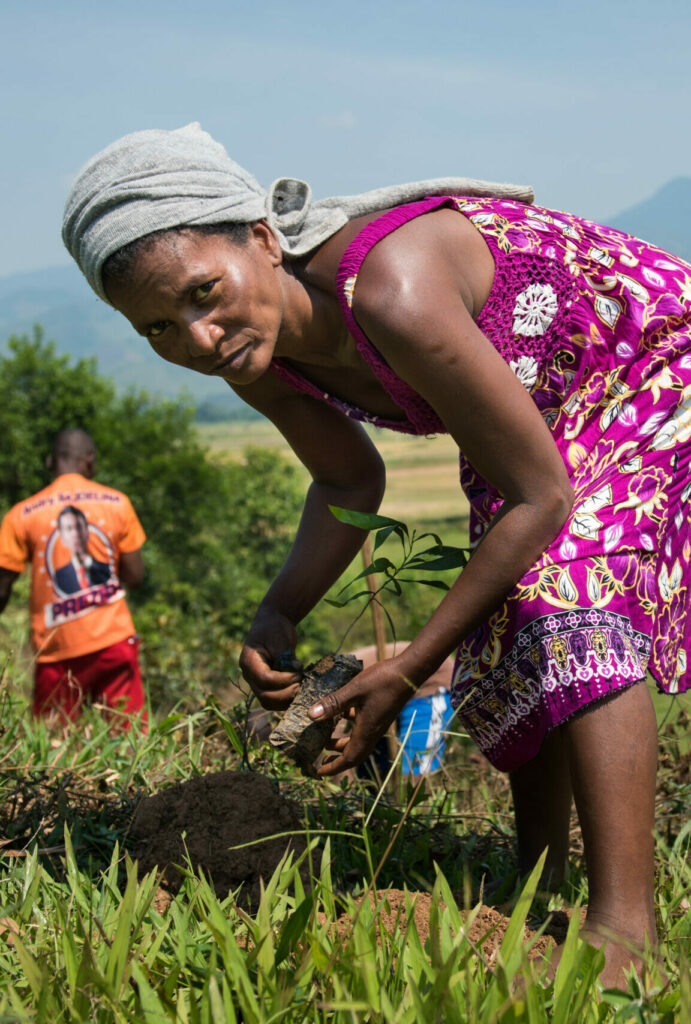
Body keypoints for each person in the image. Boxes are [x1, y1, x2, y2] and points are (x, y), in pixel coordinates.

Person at [61, 123, 691, 985]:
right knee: (507, 618)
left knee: (562, 580)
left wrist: (403, 670)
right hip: (537, 410)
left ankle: (626, 940)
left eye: (205, 293)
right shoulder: (253, 358)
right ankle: (538, 883)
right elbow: (348, 483)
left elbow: (542, 497)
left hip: (650, 355)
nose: (199, 338)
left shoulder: (392, 290)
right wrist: (278, 609)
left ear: (261, 238)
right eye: (160, 328)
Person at [0, 428, 147, 725]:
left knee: (54, 745)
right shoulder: (117, 503)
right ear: (90, 462)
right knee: (127, 738)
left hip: (56, 652)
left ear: (49, 463)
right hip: (114, 644)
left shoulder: (21, 514)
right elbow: (135, 576)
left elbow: (1, 589)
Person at [352, 642, 454, 776]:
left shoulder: (332, 686)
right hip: (387, 697)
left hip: (429, 684)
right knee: (372, 765)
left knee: (416, 764)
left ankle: (414, 796)